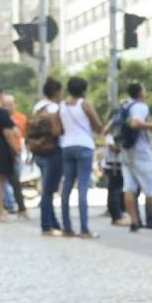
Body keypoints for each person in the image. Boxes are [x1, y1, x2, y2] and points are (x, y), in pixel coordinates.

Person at [59, 76, 105, 238]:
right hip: (84, 146)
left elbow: (60, 128)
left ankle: (67, 227)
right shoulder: (85, 104)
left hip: (67, 146)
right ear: (84, 90)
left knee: (66, 187)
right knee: (83, 187)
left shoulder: (62, 106)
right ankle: (84, 228)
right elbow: (98, 126)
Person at [120, 83, 152, 234]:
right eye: (144, 89)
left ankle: (134, 221)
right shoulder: (140, 106)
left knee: (129, 187)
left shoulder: (125, 106)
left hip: (126, 151)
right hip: (140, 152)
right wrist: (151, 125)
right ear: (140, 92)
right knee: (150, 189)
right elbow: (135, 123)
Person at [0, 85, 27, 221]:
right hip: (2, 148)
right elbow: (8, 133)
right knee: (0, 181)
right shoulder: (1, 113)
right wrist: (15, 148)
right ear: (0, 96)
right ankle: (0, 210)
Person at [30, 78, 64, 235]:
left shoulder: (38, 107)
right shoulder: (55, 108)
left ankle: (53, 222)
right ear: (57, 92)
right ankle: (47, 225)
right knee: (49, 190)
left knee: (46, 187)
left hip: (38, 150)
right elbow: (57, 131)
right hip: (52, 150)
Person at [1, 94, 28, 214]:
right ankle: (9, 203)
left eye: (10, 105)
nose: (7, 108)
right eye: (5, 105)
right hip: (4, 152)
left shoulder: (21, 118)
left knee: (16, 179)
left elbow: (25, 136)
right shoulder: (0, 118)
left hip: (17, 152)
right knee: (5, 180)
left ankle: (14, 203)